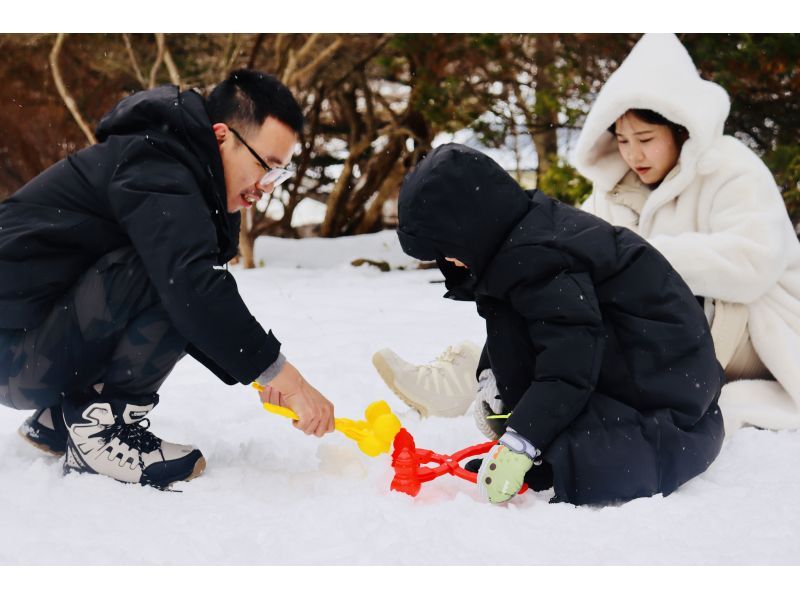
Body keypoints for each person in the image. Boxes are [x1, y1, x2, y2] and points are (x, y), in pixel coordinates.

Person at [376, 33, 800, 434]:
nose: (633, 153)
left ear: (680, 129)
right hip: (672, 328)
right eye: (622, 140)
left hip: (753, 329)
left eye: (647, 138)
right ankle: (473, 377)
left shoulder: (729, 167)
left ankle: (490, 384)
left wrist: (636, 260)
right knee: (554, 295)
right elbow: (570, 263)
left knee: (597, 315)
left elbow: (753, 263)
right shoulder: (615, 187)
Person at [0, 70, 335, 490]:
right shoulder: (155, 163)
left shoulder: (180, 176)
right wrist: (287, 378)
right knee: (168, 275)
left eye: (277, 174)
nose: (265, 187)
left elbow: (192, 304)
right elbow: (189, 287)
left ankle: (59, 420)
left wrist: (259, 373)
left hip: (30, 347)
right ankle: (98, 431)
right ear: (220, 136)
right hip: (14, 353)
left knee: (175, 276)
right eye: (265, 165)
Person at [394, 142, 724, 505]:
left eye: (446, 249)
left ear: (470, 228)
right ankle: (533, 422)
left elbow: (570, 360)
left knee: (589, 446)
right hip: (643, 357)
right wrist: (493, 377)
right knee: (528, 349)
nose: (448, 262)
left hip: (664, 376)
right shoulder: (518, 239)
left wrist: (523, 441)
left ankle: (556, 452)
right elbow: (534, 327)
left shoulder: (537, 258)